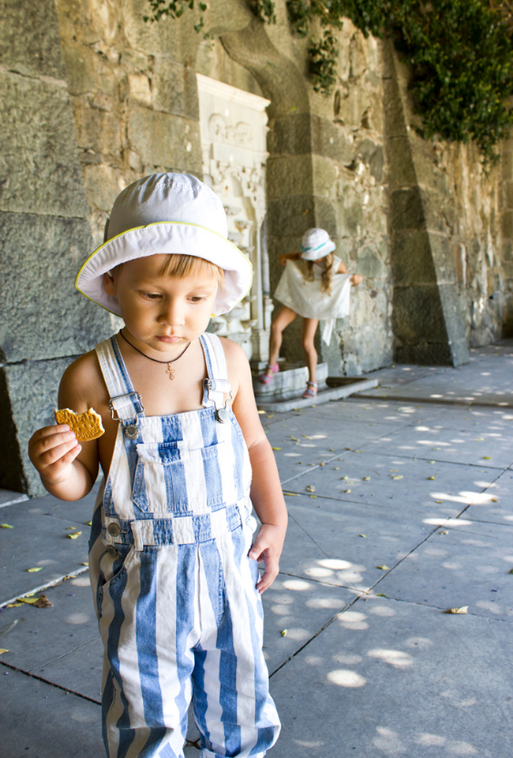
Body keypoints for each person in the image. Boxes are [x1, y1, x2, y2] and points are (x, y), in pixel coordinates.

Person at [28, 173, 286, 758]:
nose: (175, 318)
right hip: (142, 580)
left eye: (196, 299)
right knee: (144, 703)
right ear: (115, 281)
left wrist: (273, 519)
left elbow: (254, 444)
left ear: (216, 290)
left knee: (241, 689)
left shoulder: (227, 361)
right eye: (153, 296)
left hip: (229, 561)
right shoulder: (93, 379)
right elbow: (83, 480)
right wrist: (55, 468)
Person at [259, 228, 363, 398]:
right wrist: (284, 260)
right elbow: (284, 257)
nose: (313, 259)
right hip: (301, 295)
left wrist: (354, 279)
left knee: (307, 343)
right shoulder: (305, 257)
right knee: (276, 325)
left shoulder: (337, 264)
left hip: (315, 304)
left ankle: (312, 383)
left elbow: (350, 281)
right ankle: (272, 365)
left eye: (316, 255)